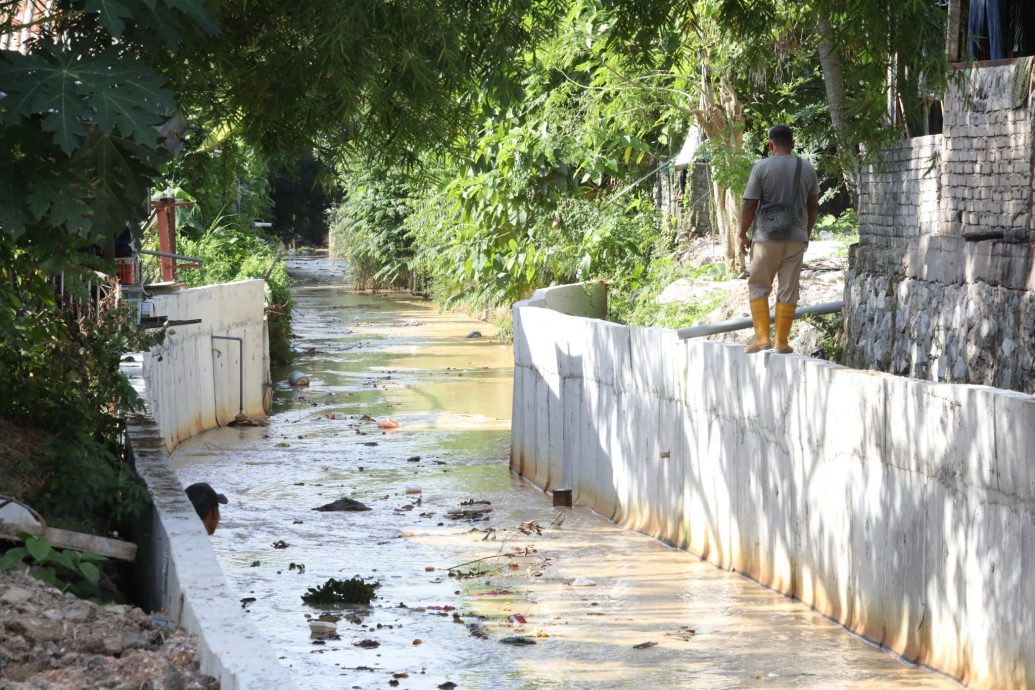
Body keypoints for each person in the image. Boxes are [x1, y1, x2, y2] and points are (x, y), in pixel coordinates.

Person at [738, 124, 819, 355]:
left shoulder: (761, 167)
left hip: (766, 239)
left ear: (770, 144)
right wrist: (806, 232)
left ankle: (762, 337)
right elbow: (813, 206)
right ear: (793, 144)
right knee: (789, 289)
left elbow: (750, 204)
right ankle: (781, 341)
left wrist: (742, 233)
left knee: (759, 286)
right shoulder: (807, 169)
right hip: (796, 239)